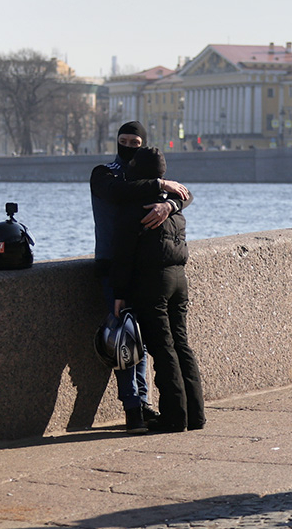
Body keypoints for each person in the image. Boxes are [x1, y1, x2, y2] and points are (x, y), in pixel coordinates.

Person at [90, 121, 190, 432]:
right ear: (116, 141)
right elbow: (118, 193)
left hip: (145, 269)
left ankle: (144, 404)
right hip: (113, 264)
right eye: (124, 141)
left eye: (136, 142)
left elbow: (186, 195)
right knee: (122, 340)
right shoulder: (104, 173)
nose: (130, 146)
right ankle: (132, 407)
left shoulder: (151, 177)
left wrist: (170, 204)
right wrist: (162, 186)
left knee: (141, 339)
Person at [111, 147, 205, 433]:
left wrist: (118, 292)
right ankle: (195, 415)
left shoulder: (140, 207)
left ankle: (174, 417)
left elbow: (124, 254)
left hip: (153, 283)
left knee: (163, 349)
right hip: (179, 279)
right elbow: (187, 195)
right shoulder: (172, 203)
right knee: (182, 344)